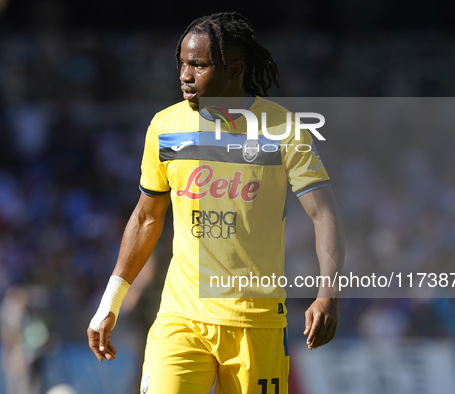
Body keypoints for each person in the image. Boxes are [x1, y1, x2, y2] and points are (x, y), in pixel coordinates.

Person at [87, 12, 345, 394]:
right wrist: (110, 301)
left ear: (235, 69)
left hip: (256, 323)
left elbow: (324, 214)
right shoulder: (165, 127)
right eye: (183, 63)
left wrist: (328, 294)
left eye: (199, 65)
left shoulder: (283, 128)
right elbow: (145, 219)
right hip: (181, 316)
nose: (185, 75)